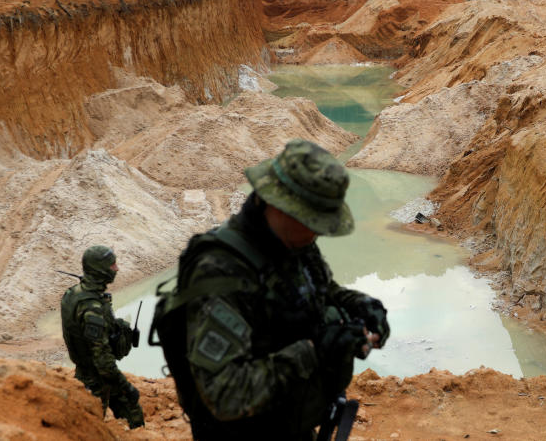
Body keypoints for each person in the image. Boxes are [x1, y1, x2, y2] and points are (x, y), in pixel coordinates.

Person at [165, 139, 390, 440]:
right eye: (311, 221)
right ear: (276, 203)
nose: (317, 232)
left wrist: (360, 304)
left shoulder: (292, 242)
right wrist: (315, 351)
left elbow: (321, 289)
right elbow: (225, 394)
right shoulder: (220, 271)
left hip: (292, 425)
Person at [60, 245, 145, 429]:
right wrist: (126, 387)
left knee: (132, 411)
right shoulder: (91, 308)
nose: (117, 269)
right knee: (91, 426)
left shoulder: (74, 293)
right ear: (100, 270)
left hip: (89, 372)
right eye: (112, 265)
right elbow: (103, 360)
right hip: (96, 380)